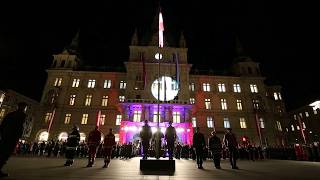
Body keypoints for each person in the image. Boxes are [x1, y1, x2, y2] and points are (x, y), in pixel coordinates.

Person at [0, 102, 28, 177]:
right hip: (12, 137)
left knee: (2, 151)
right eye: (25, 108)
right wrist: (18, 136)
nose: (25, 109)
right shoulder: (22, 115)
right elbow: (19, 127)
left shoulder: (10, 114)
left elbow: (2, 125)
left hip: (5, 136)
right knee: (6, 153)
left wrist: (2, 134)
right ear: (23, 107)